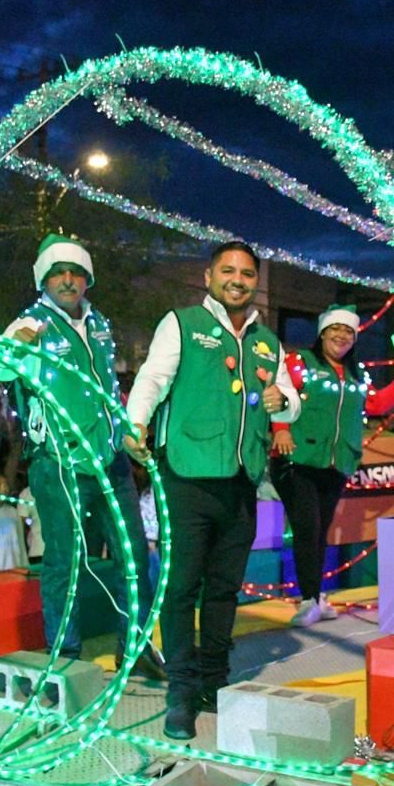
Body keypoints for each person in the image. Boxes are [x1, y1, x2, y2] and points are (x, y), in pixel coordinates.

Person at [127, 240, 301, 741]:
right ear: (209, 277)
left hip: (242, 480)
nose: (237, 280)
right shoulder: (182, 324)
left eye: (246, 273)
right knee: (181, 588)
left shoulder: (267, 341)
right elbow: (153, 378)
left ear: (255, 282)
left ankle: (213, 683)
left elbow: (290, 401)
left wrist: (283, 400)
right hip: (186, 476)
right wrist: (135, 421)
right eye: (228, 270)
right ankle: (181, 692)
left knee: (224, 589)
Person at [0, 234, 159, 679]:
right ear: (43, 279)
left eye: (76, 273)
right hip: (58, 464)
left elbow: (107, 390)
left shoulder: (98, 324)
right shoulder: (31, 322)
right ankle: (63, 658)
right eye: (58, 273)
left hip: (110, 461)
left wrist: (125, 433)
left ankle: (135, 648)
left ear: (88, 279)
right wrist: (17, 345)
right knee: (64, 563)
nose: (67, 280)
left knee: (135, 557)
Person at [271, 304, 394, 627]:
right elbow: (280, 395)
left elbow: (377, 403)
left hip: (336, 464)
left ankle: (316, 597)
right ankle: (309, 600)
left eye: (348, 331)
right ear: (322, 332)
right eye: (335, 329)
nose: (341, 336)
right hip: (297, 460)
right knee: (307, 529)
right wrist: (281, 430)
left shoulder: (355, 374)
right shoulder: (300, 362)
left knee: (319, 532)